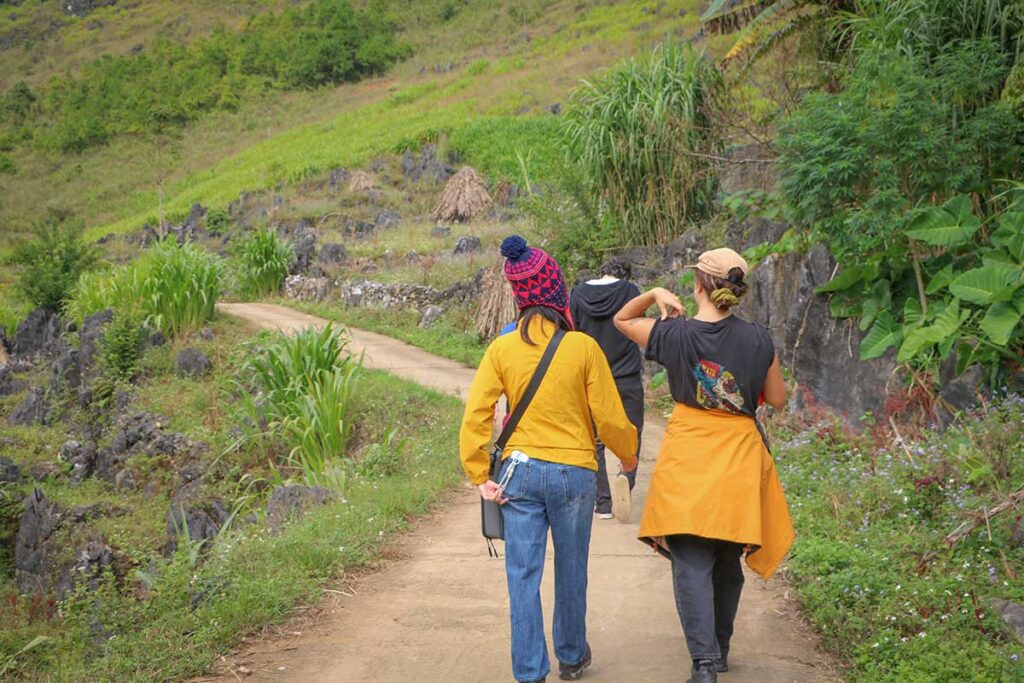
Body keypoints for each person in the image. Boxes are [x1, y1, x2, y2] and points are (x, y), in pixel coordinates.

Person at [460, 235, 639, 683]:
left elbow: (478, 414)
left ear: (520, 296)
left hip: (519, 475)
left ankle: (529, 671)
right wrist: (628, 457)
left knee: (522, 575)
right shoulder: (582, 348)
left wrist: (479, 473)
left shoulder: (501, 349)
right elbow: (611, 418)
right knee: (571, 568)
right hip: (575, 475)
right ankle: (573, 656)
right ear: (557, 292)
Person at [612, 248, 794, 683]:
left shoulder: (673, 333)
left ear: (697, 285)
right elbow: (780, 398)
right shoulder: (758, 339)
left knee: (691, 558)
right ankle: (721, 648)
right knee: (728, 558)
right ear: (737, 291)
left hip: (689, 455)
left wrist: (654, 291)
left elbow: (621, 320)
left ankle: (705, 663)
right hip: (739, 457)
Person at [569, 256, 644, 521]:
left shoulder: (577, 294)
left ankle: (602, 503)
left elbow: (572, 333)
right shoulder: (629, 292)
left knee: (595, 438)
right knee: (632, 430)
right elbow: (639, 328)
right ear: (625, 274)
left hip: (591, 376)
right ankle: (626, 477)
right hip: (626, 376)